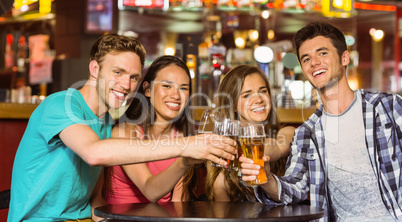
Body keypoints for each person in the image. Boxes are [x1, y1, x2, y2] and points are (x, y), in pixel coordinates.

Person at [8, 34, 236, 222]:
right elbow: (93, 153)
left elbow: (96, 198)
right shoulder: (60, 105)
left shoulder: (107, 124)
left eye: (134, 77)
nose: (126, 85)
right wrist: (186, 146)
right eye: (118, 72)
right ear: (95, 69)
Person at [240, 22, 402, 221]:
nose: (314, 62)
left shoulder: (388, 108)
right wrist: (265, 179)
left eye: (322, 53)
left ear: (344, 58)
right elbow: (293, 190)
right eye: (306, 58)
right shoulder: (307, 133)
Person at [90, 55, 205, 221]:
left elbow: (178, 203)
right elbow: (150, 191)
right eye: (167, 86)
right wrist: (185, 158)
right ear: (147, 89)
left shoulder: (182, 137)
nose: (176, 95)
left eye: (183, 88)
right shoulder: (125, 132)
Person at [206, 64, 295, 202]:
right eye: (247, 95)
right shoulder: (222, 148)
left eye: (263, 91)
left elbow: (278, 147)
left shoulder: (286, 132)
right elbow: (220, 196)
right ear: (234, 105)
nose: (258, 99)